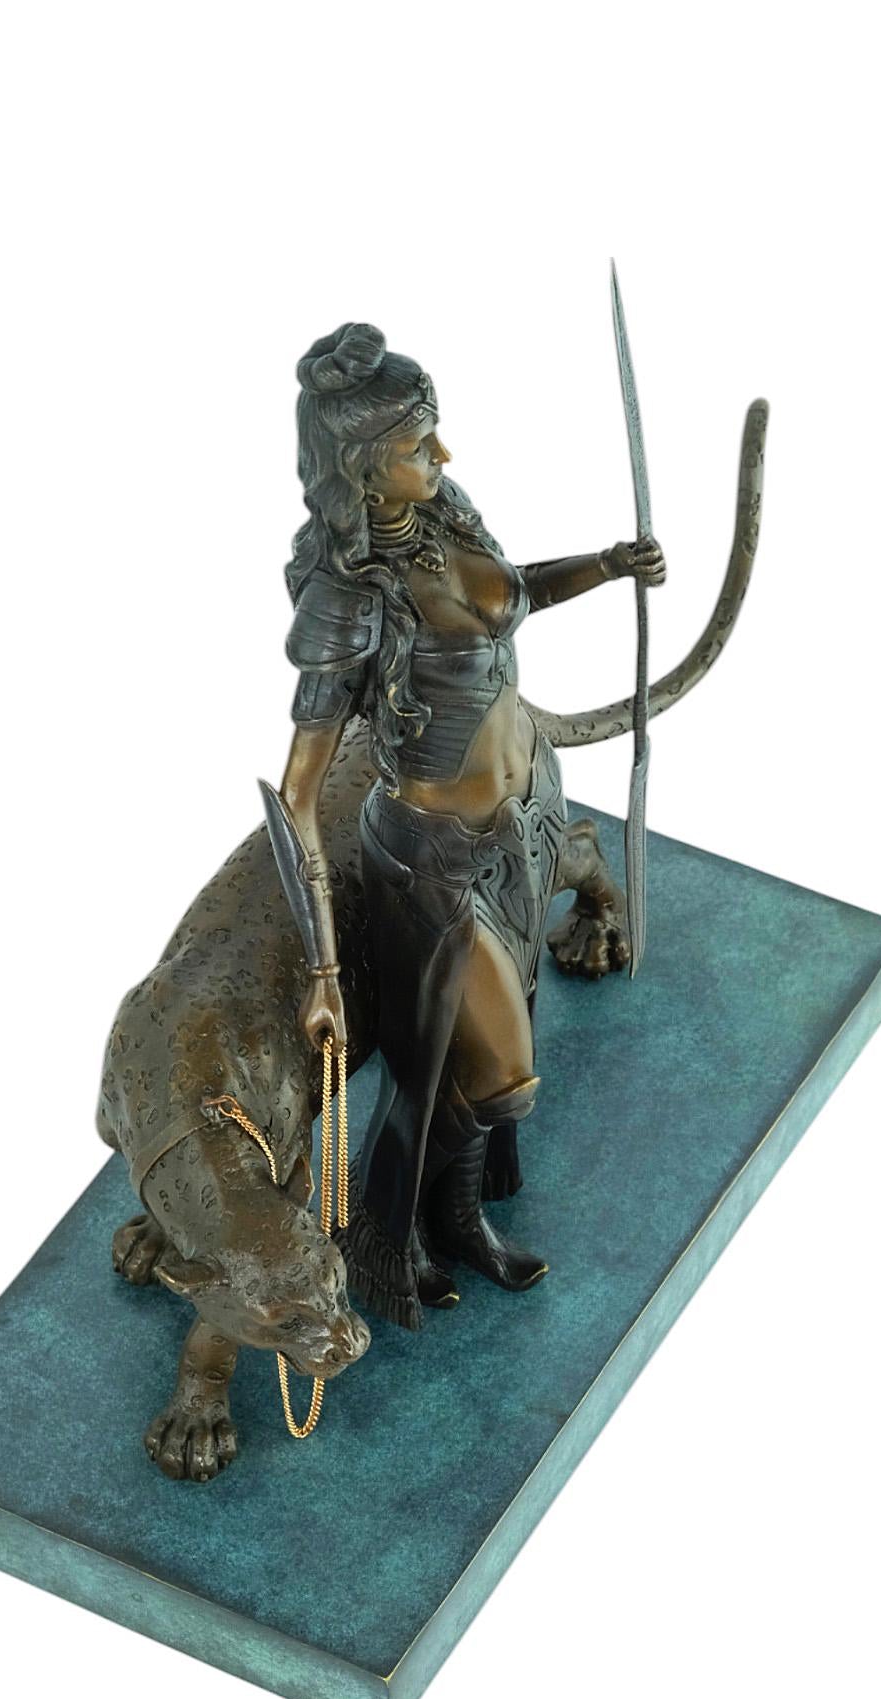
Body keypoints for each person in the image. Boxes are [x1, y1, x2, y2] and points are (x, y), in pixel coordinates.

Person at [270, 322, 664, 1330]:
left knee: (469, 1066)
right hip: (431, 862)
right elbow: (299, 795)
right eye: (416, 445)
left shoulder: (444, 510)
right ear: (361, 467)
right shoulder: (344, 596)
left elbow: (513, 594)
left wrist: (606, 564)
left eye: (434, 433)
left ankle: (456, 1222)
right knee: (498, 1076)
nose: (441, 456)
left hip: (520, 826)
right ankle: (381, 1227)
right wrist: (322, 970)